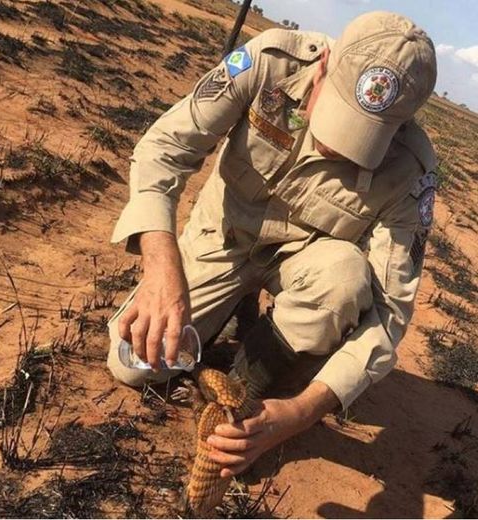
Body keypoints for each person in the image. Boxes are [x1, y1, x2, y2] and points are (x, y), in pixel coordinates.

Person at [107, 11, 438, 478]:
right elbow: (164, 149)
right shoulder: (269, 62)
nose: (339, 148)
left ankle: (248, 383)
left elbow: (390, 315)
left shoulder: (411, 170)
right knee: (133, 365)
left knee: (343, 278)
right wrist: (162, 270)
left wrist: (300, 413)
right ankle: (232, 301)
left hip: (302, 265)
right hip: (222, 236)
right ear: (323, 64)